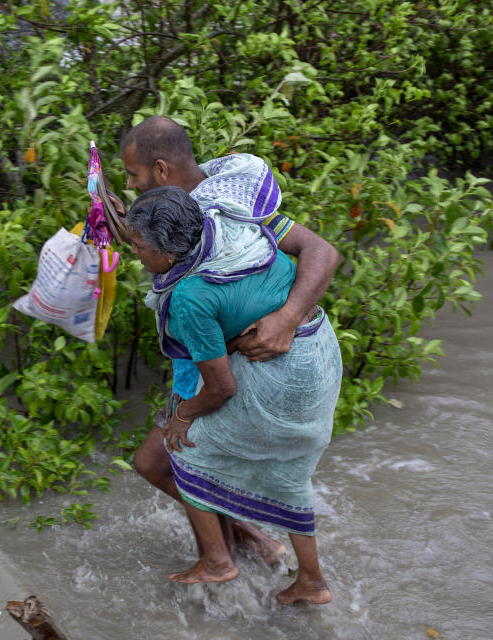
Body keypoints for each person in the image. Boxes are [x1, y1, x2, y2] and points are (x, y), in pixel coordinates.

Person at [108, 116, 340, 566]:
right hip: (211, 360)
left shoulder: (235, 206)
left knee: (166, 459)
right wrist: (125, 228)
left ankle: (223, 557)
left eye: (133, 177)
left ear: (159, 170)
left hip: (246, 370)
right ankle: (251, 543)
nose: (131, 186)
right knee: (162, 461)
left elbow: (322, 251)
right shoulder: (164, 216)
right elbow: (165, 256)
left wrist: (288, 316)